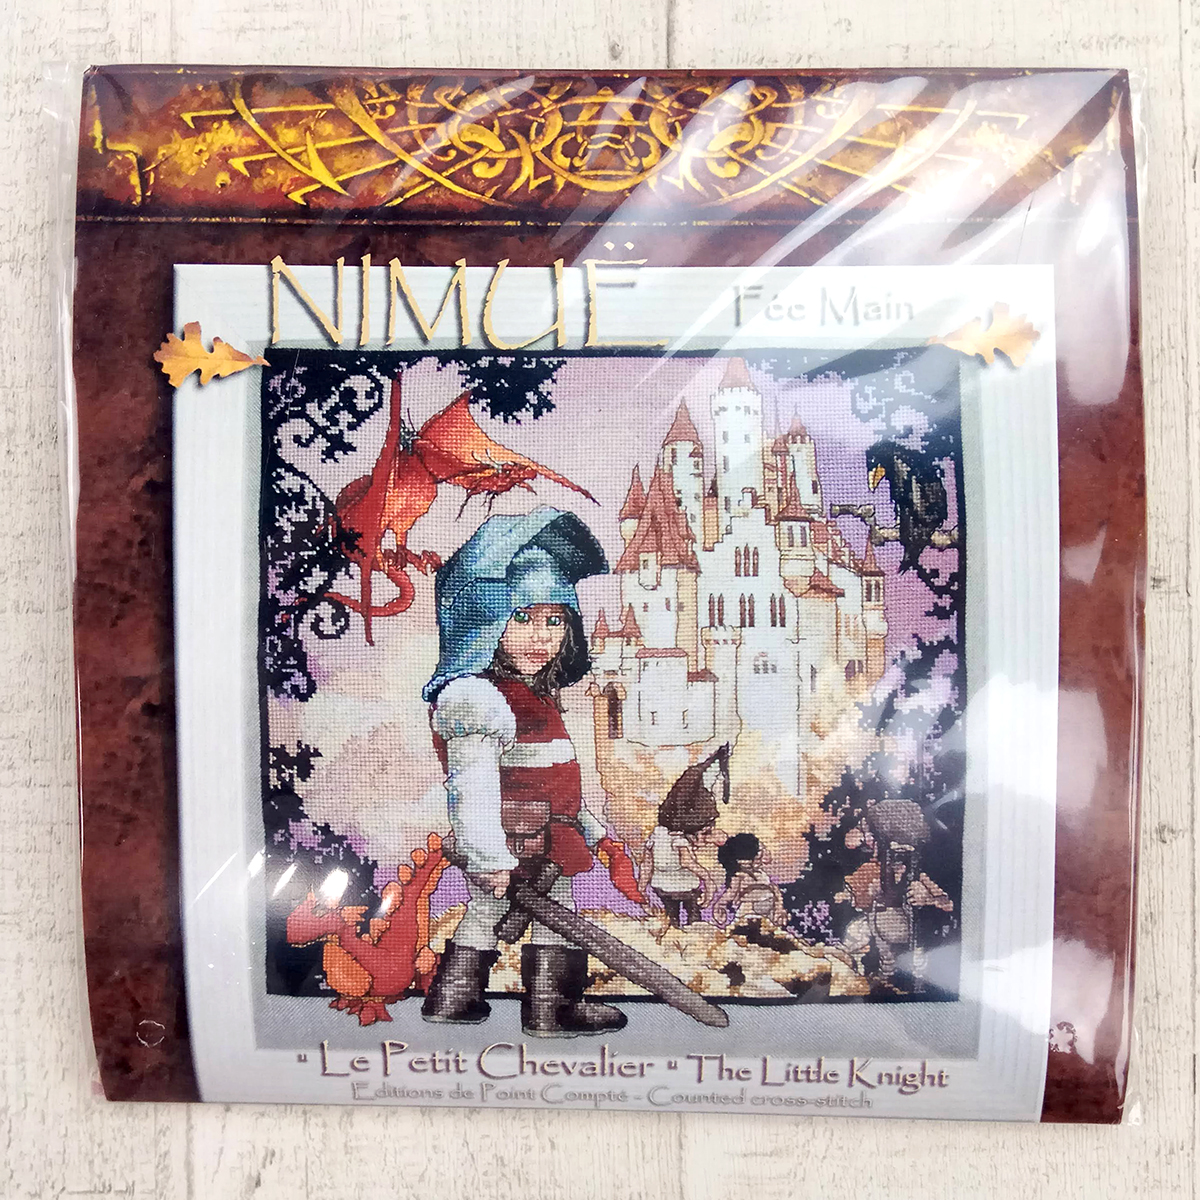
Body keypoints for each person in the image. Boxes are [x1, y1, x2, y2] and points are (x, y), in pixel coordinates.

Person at [420, 508, 626, 1037]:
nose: (542, 637)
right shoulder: (476, 698)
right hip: (517, 843)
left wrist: (594, 832)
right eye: (523, 618)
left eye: (555, 621)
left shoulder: (537, 697)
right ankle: (551, 1010)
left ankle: (454, 1000)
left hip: (548, 836)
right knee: (548, 916)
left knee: (486, 915)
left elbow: (557, 782)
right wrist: (488, 856)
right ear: (485, 621)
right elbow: (472, 789)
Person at [641, 745, 729, 927]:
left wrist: (641, 887)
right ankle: (690, 936)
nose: (706, 840)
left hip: (661, 887)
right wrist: (708, 880)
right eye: (705, 833)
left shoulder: (657, 835)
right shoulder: (679, 839)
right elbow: (686, 861)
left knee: (671, 918)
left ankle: (673, 934)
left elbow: (647, 863)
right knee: (693, 919)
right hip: (686, 887)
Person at [712, 833, 789, 928]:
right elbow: (730, 894)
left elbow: (774, 889)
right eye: (758, 852)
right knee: (745, 929)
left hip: (768, 911)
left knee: (770, 930)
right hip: (749, 909)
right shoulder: (739, 876)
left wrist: (779, 907)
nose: (760, 856)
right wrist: (719, 905)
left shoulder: (761, 873)